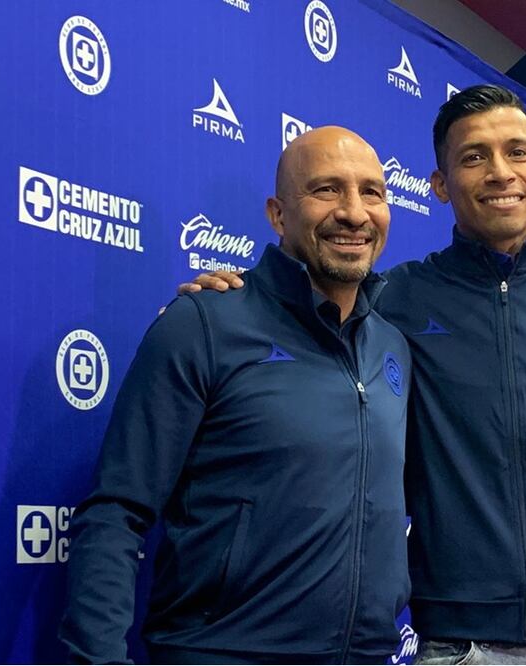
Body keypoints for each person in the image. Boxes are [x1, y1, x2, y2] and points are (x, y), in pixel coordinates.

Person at [184, 85, 526, 664]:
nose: (500, 173)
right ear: (438, 185)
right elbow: (299, 308)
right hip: (455, 645)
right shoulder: (394, 299)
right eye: (474, 157)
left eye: (517, 152)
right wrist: (232, 296)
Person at [59, 127, 413, 664]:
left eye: (372, 192)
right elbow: (115, 513)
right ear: (277, 214)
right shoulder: (205, 322)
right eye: (325, 190)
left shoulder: (392, 345)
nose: (354, 212)